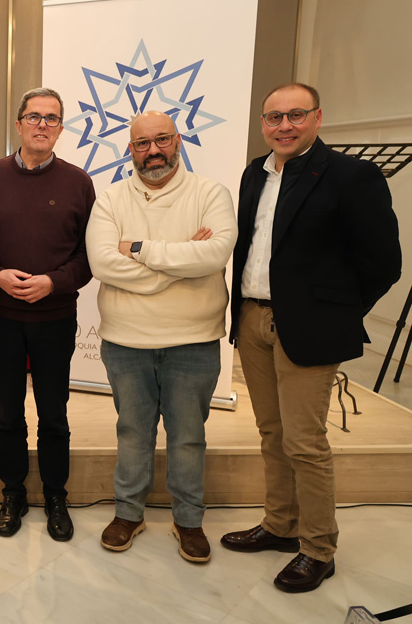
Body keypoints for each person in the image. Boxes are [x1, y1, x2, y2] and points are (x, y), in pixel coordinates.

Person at [221, 83, 401, 592]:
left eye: (295, 115)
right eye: (274, 117)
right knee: (271, 433)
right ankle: (280, 525)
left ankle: (319, 549)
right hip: (252, 318)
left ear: (317, 118)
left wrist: (336, 313)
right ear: (263, 123)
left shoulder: (352, 175)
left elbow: (383, 262)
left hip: (309, 327)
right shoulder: (255, 173)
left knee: (304, 442)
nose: (284, 125)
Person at [85, 110, 237, 563]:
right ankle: (128, 513)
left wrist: (140, 250)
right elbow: (102, 263)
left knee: (188, 436)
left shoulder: (210, 193)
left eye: (162, 140)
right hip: (125, 342)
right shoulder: (110, 199)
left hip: (193, 341)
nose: (153, 151)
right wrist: (180, 264)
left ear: (178, 141)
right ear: (130, 149)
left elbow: (215, 253)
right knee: (132, 432)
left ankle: (188, 520)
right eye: (142, 143)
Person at [0, 87, 95, 541]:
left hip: (55, 318)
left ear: (61, 128)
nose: (42, 125)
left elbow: (88, 256)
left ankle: (56, 496)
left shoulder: (79, 183)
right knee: (7, 412)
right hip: (0, 317)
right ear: (19, 124)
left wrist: (53, 283)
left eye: (52, 118)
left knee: (54, 414)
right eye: (34, 117)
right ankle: (13, 493)